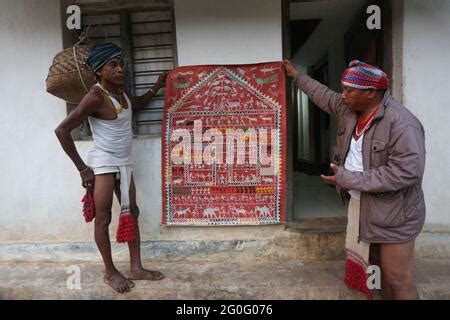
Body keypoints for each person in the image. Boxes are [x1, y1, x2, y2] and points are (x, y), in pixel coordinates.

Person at [283, 59, 426, 300]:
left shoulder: (403, 124)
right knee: (379, 271)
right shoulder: (348, 109)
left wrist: (347, 179)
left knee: (398, 279)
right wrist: (296, 76)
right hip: (363, 208)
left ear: (371, 93)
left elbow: (405, 173)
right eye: (343, 88)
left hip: (395, 213)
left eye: (349, 90)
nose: (343, 95)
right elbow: (323, 95)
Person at [55, 42, 168, 293]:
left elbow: (136, 105)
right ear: (99, 70)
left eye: (121, 64)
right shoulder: (94, 97)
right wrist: (83, 169)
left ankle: (136, 267)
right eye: (113, 65)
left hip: (125, 163)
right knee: (103, 219)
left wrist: (157, 85)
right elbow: (62, 131)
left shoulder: (121, 92)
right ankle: (110, 272)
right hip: (104, 164)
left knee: (132, 212)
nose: (120, 69)